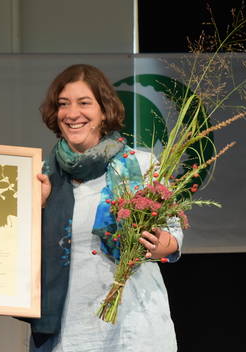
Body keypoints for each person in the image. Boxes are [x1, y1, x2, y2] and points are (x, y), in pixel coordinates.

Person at [26, 64, 183, 351]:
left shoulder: (141, 165)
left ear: (104, 110)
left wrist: (164, 244)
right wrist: (37, 210)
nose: (72, 114)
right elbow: (16, 254)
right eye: (63, 104)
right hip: (68, 331)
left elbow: (173, 233)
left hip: (134, 326)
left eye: (84, 103)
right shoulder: (40, 175)